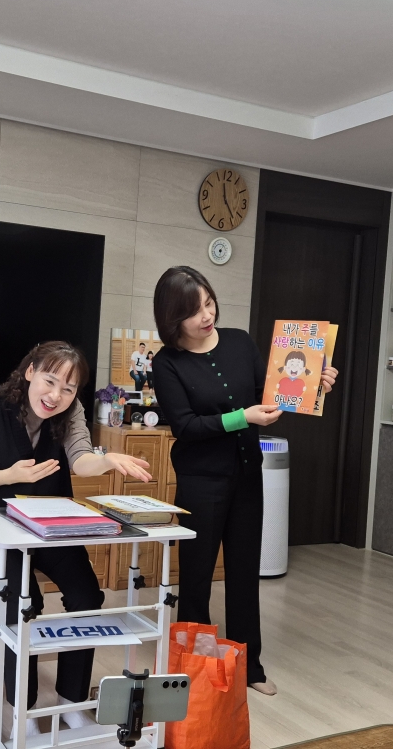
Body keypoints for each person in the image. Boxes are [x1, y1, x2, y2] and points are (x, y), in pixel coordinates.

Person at [0, 341, 151, 735]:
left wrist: (107, 460)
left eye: (68, 389)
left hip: (50, 528)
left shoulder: (71, 413)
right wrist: (8, 476)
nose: (56, 396)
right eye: (50, 381)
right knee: (24, 599)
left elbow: (81, 460)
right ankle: (22, 708)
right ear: (30, 373)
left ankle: (72, 701)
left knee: (87, 596)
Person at [151, 266, 337, 696]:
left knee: (243, 573)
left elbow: (270, 400)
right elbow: (186, 427)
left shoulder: (239, 341)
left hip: (248, 474)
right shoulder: (167, 363)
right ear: (172, 317)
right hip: (201, 481)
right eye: (194, 310)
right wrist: (242, 418)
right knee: (196, 577)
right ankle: (195, 670)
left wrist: (313, 387)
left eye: (209, 303)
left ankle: (249, 666)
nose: (206, 315)